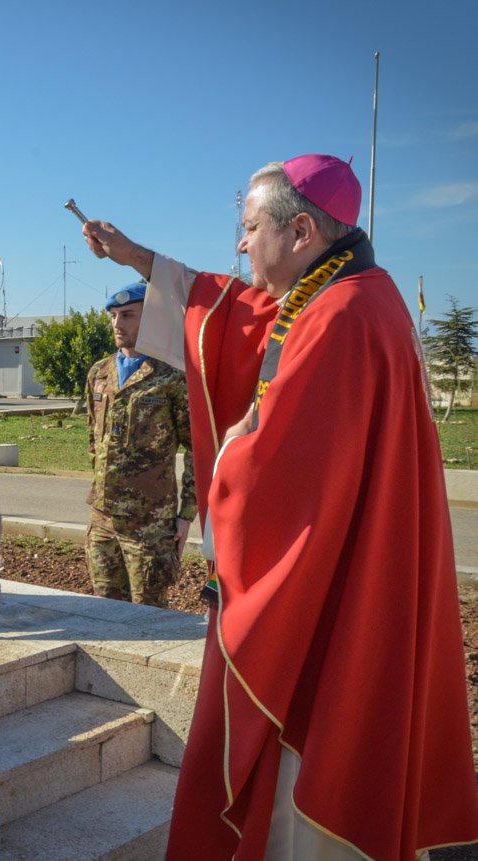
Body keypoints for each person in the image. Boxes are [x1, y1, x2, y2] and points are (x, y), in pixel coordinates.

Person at [82, 155, 478, 860]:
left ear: (300, 231)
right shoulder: (346, 294)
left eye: (249, 226)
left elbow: (274, 472)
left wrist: (230, 455)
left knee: (309, 799)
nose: (239, 245)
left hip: (331, 608)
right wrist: (135, 254)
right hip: (352, 581)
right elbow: (241, 314)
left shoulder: (342, 317)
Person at [83, 282, 194, 608]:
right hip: (102, 522)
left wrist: (186, 514)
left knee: (148, 618)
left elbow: (198, 449)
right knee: (105, 614)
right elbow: (94, 439)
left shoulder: (173, 375)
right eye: (114, 316)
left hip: (149, 526)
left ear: (152, 318)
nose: (118, 324)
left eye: (128, 315)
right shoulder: (99, 373)